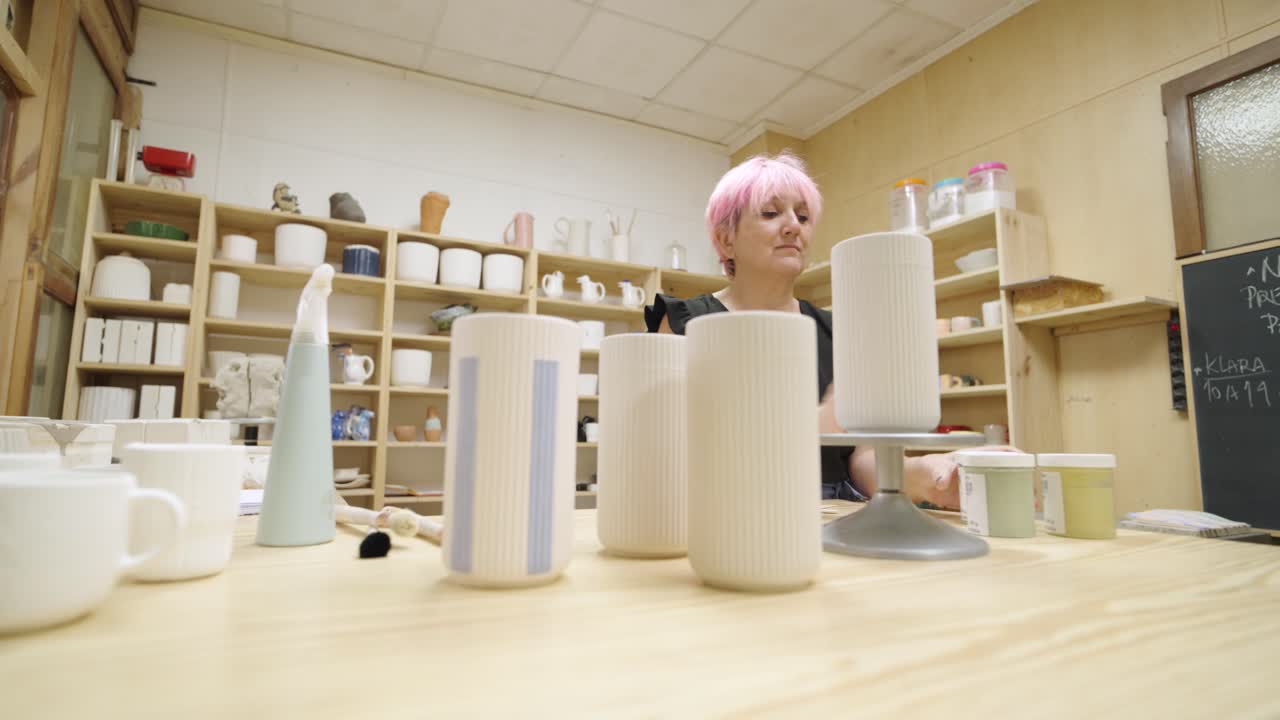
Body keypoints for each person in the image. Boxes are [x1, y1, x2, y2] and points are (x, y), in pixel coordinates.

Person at [645, 153, 1001, 509]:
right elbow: (665, 448)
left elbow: (862, 459)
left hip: (832, 512)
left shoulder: (837, 332)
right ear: (726, 240)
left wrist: (929, 476)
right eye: (770, 213)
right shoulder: (685, 324)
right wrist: (809, 428)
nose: (793, 226)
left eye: (803, 217)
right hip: (727, 509)